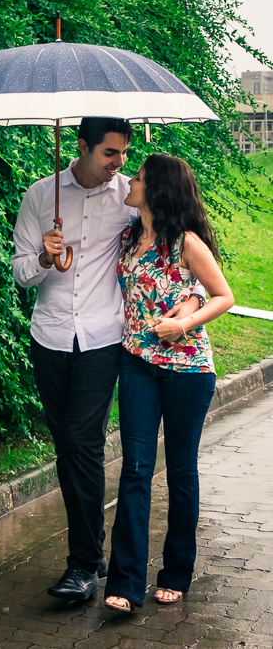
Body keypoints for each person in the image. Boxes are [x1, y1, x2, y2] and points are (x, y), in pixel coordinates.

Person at [11, 118, 202, 602]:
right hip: (50, 335)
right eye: (109, 153)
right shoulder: (40, 197)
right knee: (66, 446)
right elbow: (20, 274)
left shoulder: (130, 197)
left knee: (83, 440)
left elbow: (179, 243)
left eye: (123, 154)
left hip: (102, 337)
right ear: (82, 147)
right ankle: (91, 554)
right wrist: (42, 259)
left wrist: (195, 300)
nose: (119, 164)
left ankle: (83, 563)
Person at [102, 154, 233, 612]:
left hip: (188, 370)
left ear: (156, 190)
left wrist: (187, 320)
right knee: (135, 468)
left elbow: (225, 295)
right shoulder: (128, 237)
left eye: (136, 178)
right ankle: (124, 583)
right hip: (137, 363)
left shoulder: (186, 243)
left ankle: (176, 571)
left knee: (179, 471)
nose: (129, 182)